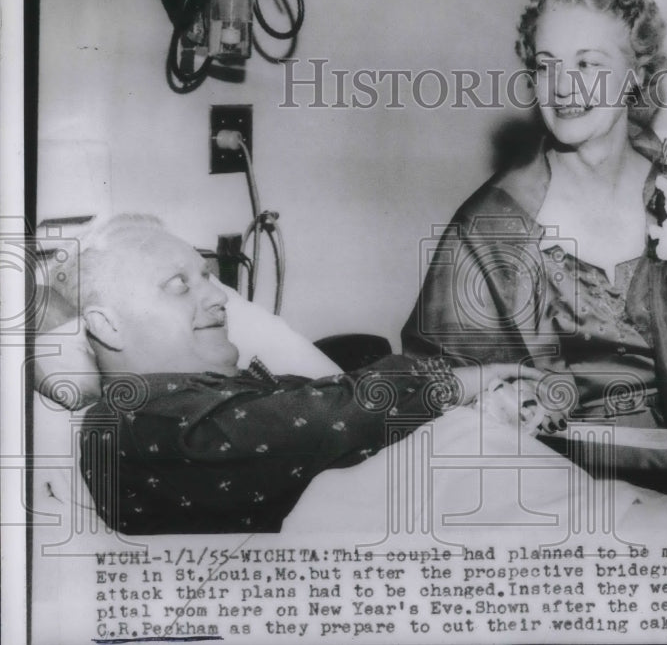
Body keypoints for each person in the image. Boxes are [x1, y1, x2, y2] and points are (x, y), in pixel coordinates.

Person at [402, 0, 667, 494]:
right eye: (546, 64)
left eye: (588, 64)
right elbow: (435, 388)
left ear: (636, 74)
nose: (562, 87)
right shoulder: (489, 227)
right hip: (550, 490)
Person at [57, 214, 542, 534]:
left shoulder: (192, 401)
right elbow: (323, 420)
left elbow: (310, 409)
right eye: (179, 285)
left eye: (208, 277)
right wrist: (450, 381)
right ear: (107, 325)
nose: (219, 296)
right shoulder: (140, 422)